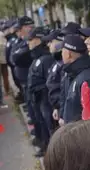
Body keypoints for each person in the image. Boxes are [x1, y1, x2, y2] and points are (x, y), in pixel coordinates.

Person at [27, 26, 55, 156]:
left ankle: (51, 152)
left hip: (44, 99)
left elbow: (49, 82)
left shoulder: (46, 58)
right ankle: (45, 146)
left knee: (49, 125)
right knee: (42, 123)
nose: (28, 42)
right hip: (37, 98)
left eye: (30, 39)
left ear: (38, 40)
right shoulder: (37, 57)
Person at [48, 22, 81, 128]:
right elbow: (63, 92)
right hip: (65, 116)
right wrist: (60, 111)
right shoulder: (65, 65)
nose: (64, 39)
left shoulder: (80, 67)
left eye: (68, 35)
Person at [58, 34, 90, 125]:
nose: (61, 54)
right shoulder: (73, 72)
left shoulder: (85, 76)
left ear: (68, 54)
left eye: (62, 51)